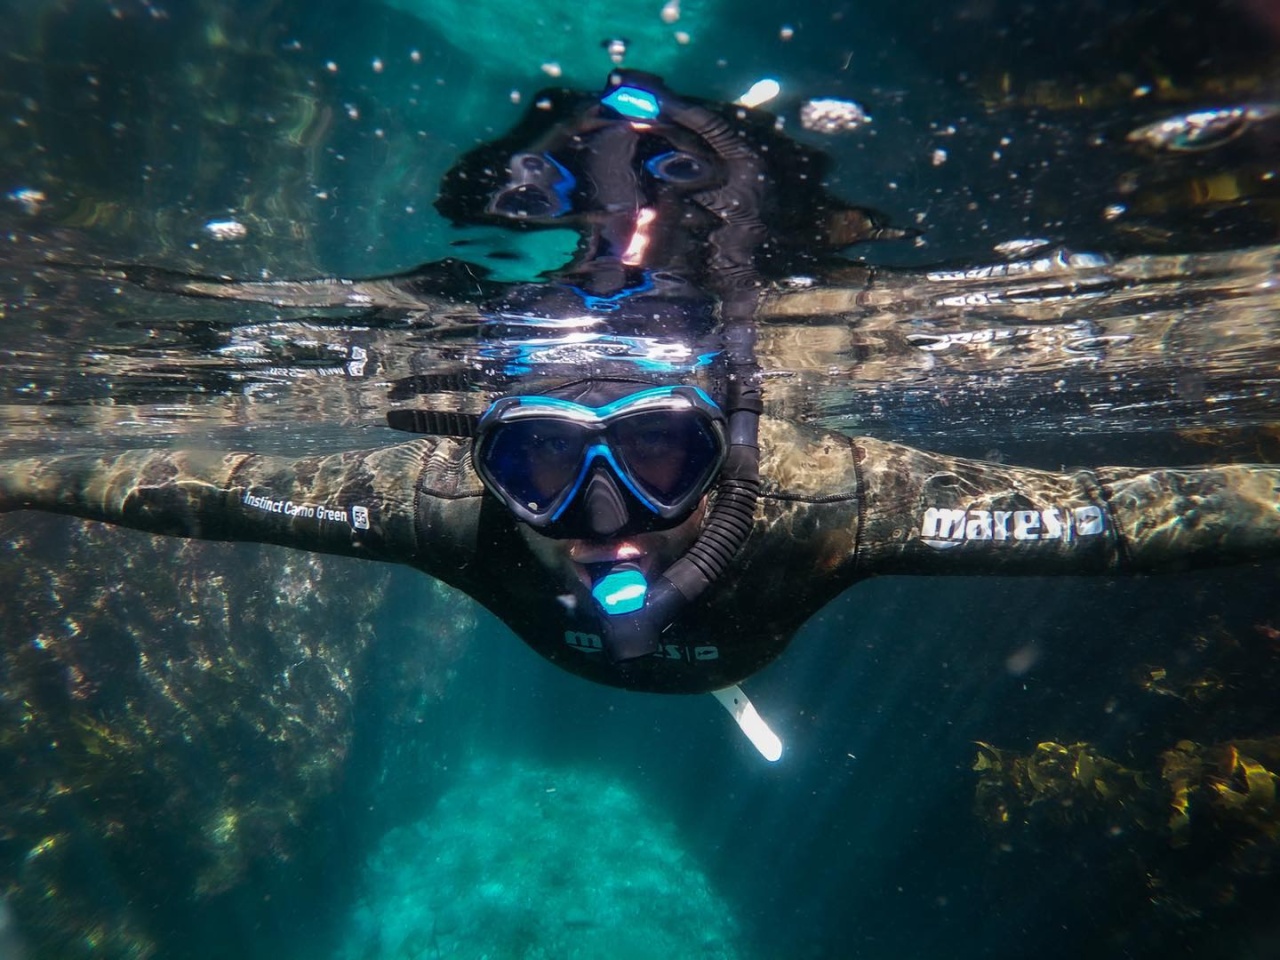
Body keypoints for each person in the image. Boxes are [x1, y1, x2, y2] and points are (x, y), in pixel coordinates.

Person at [4, 71, 1279, 758]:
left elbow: (1116, 517)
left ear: (729, 443)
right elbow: (171, 483)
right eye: (536, 464)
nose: (598, 518)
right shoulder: (444, 507)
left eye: (661, 452)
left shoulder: (823, 501)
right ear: (480, 456)